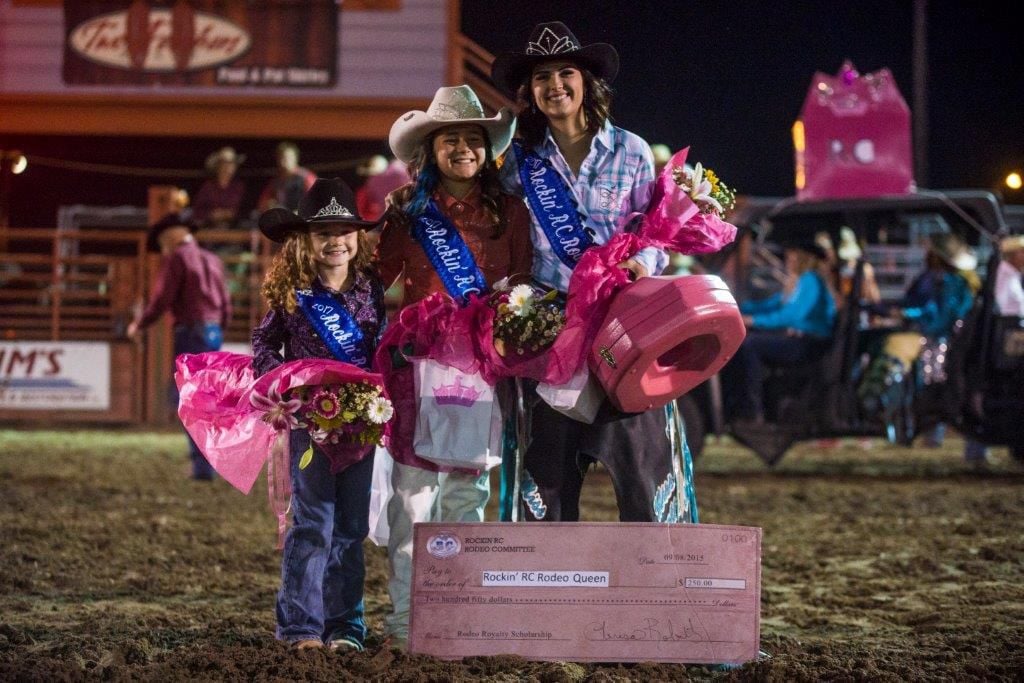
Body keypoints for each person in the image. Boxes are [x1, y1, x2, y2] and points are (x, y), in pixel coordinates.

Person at [490, 21, 697, 525]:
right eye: (542, 77)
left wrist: (640, 263)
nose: (554, 85)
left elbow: (657, 236)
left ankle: (652, 580)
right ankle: (547, 585)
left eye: (566, 72)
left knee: (639, 470)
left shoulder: (633, 151)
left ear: (588, 83)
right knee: (549, 478)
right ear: (529, 90)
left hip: (621, 329)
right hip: (548, 330)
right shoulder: (517, 161)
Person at [376, 84, 532, 649]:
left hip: (481, 375)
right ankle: (404, 619)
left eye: (472, 138)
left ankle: (457, 616)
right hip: (415, 372)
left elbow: (524, 286)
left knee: (468, 496)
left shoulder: (510, 214)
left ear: (487, 150)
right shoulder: (406, 212)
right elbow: (374, 281)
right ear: (431, 150)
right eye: (450, 140)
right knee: (411, 497)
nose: (462, 148)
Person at [251, 178, 385, 651]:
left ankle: (345, 627)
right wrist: (281, 386)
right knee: (312, 524)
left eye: (345, 230)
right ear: (306, 240)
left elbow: (381, 350)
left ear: (358, 237)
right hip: (310, 426)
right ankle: (300, 626)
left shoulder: (371, 291)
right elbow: (264, 343)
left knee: (351, 527)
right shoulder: (293, 291)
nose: (336, 241)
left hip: (362, 427)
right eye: (323, 231)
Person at [127, 213, 232, 480]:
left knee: (189, 399)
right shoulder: (213, 260)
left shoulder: (178, 258)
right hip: (213, 332)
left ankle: (202, 467)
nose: (163, 247)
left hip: (190, 332)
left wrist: (139, 324)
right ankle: (209, 461)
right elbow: (226, 305)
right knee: (206, 398)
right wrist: (218, 331)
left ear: (173, 235)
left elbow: (162, 298)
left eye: (163, 241)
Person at [721, 240, 837, 424]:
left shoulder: (810, 280)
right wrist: (737, 308)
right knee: (750, 341)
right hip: (799, 338)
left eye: (792, 256)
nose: (787, 260)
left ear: (802, 258)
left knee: (749, 345)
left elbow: (790, 315)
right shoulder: (798, 282)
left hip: (809, 343)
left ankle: (751, 409)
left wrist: (753, 320)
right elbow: (773, 304)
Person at [192, 146, 246, 229]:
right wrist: (211, 214)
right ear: (217, 166)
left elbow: (244, 210)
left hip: (233, 228)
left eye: (231, 164)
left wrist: (230, 214)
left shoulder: (239, 187)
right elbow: (197, 211)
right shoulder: (208, 186)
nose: (227, 167)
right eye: (224, 164)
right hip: (210, 228)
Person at [257, 141, 317, 213]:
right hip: (282, 220)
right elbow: (262, 204)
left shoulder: (306, 178)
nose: (283, 162)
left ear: (295, 158)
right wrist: (269, 205)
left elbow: (317, 203)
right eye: (280, 158)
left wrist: (300, 213)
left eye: (287, 158)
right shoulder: (276, 181)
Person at [995, 235, 1024, 316]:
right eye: (1022, 251)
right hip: (1007, 324)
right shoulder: (1005, 273)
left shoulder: (1014, 274)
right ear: (1012, 254)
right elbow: (1000, 304)